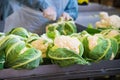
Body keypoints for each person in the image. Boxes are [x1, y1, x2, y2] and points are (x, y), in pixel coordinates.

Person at [4, 0, 78, 35]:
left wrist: (68, 13)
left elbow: (72, 7)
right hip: (22, 29)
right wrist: (43, 5)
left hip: (50, 36)